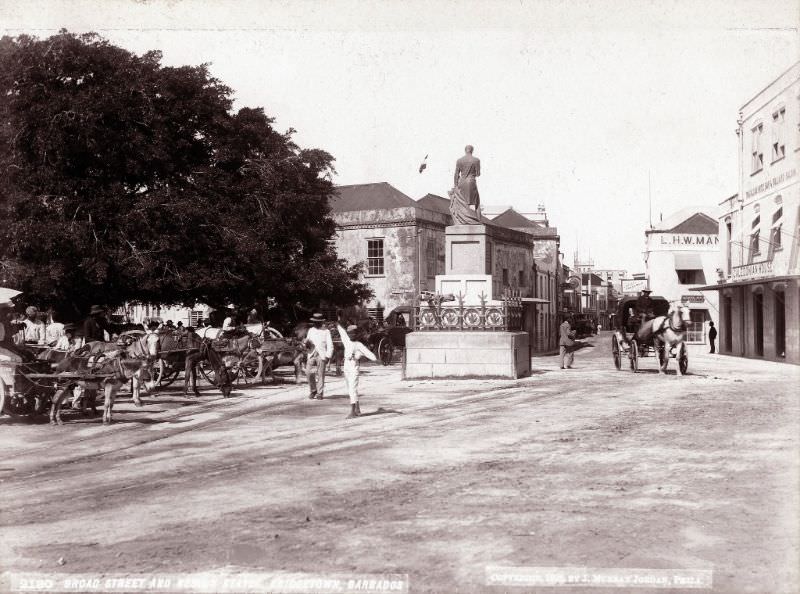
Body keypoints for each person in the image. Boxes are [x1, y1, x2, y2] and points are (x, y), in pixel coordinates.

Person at [337, 324, 377, 419]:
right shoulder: (346, 340)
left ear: (356, 334)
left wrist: (360, 354)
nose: (351, 335)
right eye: (349, 333)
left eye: (353, 333)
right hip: (346, 366)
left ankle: (352, 411)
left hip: (354, 367)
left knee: (352, 388)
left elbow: (373, 357)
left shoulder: (359, 345)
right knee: (350, 388)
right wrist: (337, 323)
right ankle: (357, 408)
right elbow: (341, 331)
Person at [305, 312, 333, 400]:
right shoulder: (311, 330)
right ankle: (313, 390)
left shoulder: (326, 331)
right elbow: (307, 341)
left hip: (321, 355)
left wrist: (328, 356)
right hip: (311, 354)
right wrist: (306, 343)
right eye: (315, 322)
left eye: (318, 322)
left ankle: (320, 393)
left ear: (321, 322)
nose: (316, 323)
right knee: (309, 372)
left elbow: (330, 345)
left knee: (320, 374)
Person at [453, 145, 481, 212]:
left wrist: (455, 185)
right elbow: (478, 174)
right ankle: (477, 220)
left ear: (465, 150)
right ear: (472, 151)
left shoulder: (459, 160)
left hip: (461, 183)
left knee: (462, 202)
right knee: (477, 202)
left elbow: (456, 174)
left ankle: (464, 219)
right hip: (471, 182)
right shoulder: (476, 160)